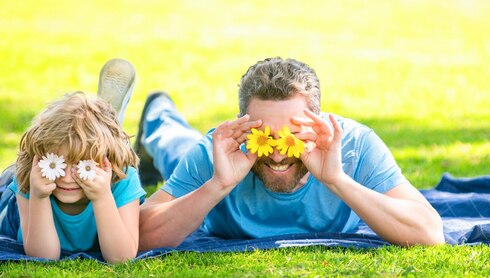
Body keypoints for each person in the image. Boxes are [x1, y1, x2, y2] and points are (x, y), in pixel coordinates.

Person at [136, 57, 444, 251]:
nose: (280, 155)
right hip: (205, 167)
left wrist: (336, 180)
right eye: (265, 137)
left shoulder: (354, 146)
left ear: (317, 123)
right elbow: (140, 236)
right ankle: (157, 112)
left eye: (292, 137)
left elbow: (429, 232)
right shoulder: (217, 153)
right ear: (245, 128)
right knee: (173, 143)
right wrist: (217, 185)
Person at [0, 60, 145, 263]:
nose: (67, 178)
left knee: (110, 155)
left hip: (109, 169)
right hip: (9, 205)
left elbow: (121, 258)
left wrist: (102, 196)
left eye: (81, 164)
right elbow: (43, 257)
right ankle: (107, 129)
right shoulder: (29, 176)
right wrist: (39, 197)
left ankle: (110, 134)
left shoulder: (122, 177)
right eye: (58, 163)